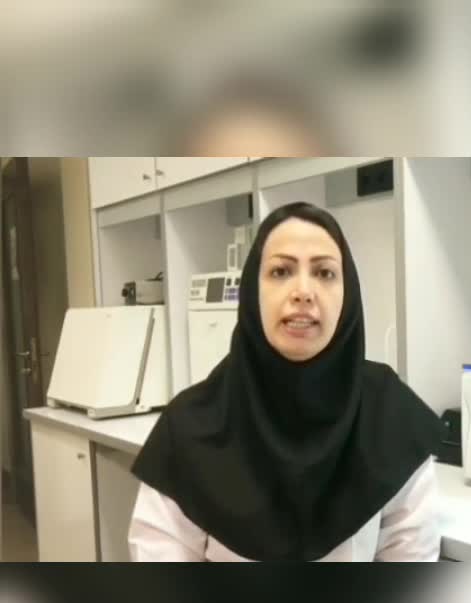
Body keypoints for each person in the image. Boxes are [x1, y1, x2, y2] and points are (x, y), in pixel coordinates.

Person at [128, 202, 443, 562]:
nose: (303, 292)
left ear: (348, 293)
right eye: (280, 271)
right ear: (252, 291)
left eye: (324, 273)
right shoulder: (189, 428)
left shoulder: (390, 417)